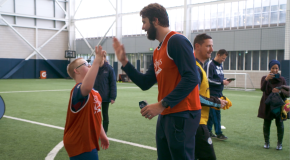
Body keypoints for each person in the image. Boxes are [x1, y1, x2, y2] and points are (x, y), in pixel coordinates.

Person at [113, 3, 201, 160]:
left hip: (183, 114)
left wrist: (161, 104)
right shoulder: (157, 51)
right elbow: (145, 82)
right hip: (166, 114)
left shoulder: (176, 40)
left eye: (144, 22)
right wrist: (125, 62)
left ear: (155, 21)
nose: (143, 27)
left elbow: (192, 78)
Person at [63, 46, 109, 160]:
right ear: (76, 71)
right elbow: (87, 86)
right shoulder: (78, 90)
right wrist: (96, 62)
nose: (89, 65)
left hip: (88, 141)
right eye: (86, 63)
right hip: (79, 142)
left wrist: (102, 135)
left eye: (89, 63)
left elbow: (96, 117)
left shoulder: (95, 93)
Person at [193, 33, 228, 160]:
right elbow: (194, 97)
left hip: (198, 120)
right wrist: (216, 102)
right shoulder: (195, 68)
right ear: (197, 46)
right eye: (208, 46)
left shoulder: (198, 67)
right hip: (196, 122)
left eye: (212, 46)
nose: (212, 49)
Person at [258, 60, 287, 150]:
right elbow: (262, 89)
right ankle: (266, 142)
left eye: (276, 68)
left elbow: (286, 92)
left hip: (278, 104)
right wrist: (267, 79)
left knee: (279, 123)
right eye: (273, 68)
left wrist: (279, 91)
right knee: (267, 123)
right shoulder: (264, 78)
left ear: (279, 69)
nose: (274, 70)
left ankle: (279, 144)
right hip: (267, 103)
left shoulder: (282, 79)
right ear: (270, 68)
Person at [205, 49, 231, 140]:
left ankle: (208, 131)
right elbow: (207, 79)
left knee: (212, 115)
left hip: (219, 93)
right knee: (216, 114)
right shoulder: (209, 64)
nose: (223, 60)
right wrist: (221, 82)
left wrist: (225, 80)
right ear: (218, 55)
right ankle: (219, 133)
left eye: (225, 59)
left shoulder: (220, 65)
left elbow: (219, 78)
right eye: (223, 58)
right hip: (211, 94)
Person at [93, 51, 117, 134]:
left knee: (105, 115)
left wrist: (113, 97)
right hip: (94, 97)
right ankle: (95, 131)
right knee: (94, 116)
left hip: (105, 97)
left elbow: (113, 83)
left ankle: (104, 132)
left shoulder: (109, 69)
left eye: (101, 57)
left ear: (104, 57)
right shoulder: (94, 67)